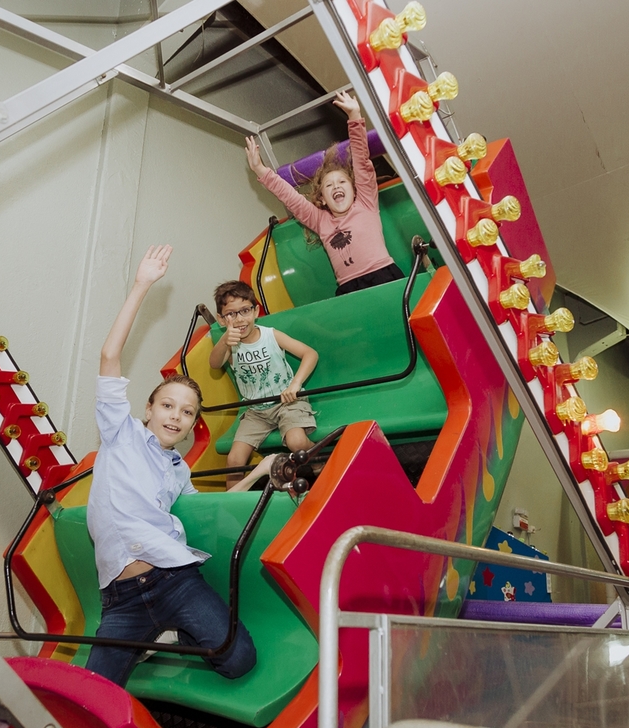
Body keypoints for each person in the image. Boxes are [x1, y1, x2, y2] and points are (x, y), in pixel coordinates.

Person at [85, 244, 269, 687]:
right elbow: (109, 357)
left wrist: (261, 473)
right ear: (148, 409)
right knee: (95, 690)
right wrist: (141, 284)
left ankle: (179, 628)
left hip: (175, 580)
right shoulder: (120, 433)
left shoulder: (178, 470)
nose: (176, 416)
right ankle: (160, 632)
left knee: (240, 660)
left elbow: (213, 508)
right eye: (167, 405)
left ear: (191, 426)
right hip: (122, 598)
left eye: (187, 413)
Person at [245, 91, 403, 296]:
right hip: (349, 287)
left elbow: (361, 161)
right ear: (321, 198)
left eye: (342, 182)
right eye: (328, 186)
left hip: (383, 273)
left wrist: (354, 117)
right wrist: (260, 170)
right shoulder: (320, 220)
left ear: (354, 189)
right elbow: (290, 197)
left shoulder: (365, 203)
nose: (336, 187)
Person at [208, 280, 318, 488]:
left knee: (297, 442)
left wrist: (295, 384)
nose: (239, 319)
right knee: (234, 460)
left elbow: (310, 354)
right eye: (231, 314)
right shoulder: (228, 345)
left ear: (255, 311)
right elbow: (214, 364)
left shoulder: (270, 335)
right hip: (256, 411)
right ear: (222, 320)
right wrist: (224, 341)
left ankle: (321, 460)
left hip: (287, 402)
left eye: (245, 311)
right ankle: (233, 502)